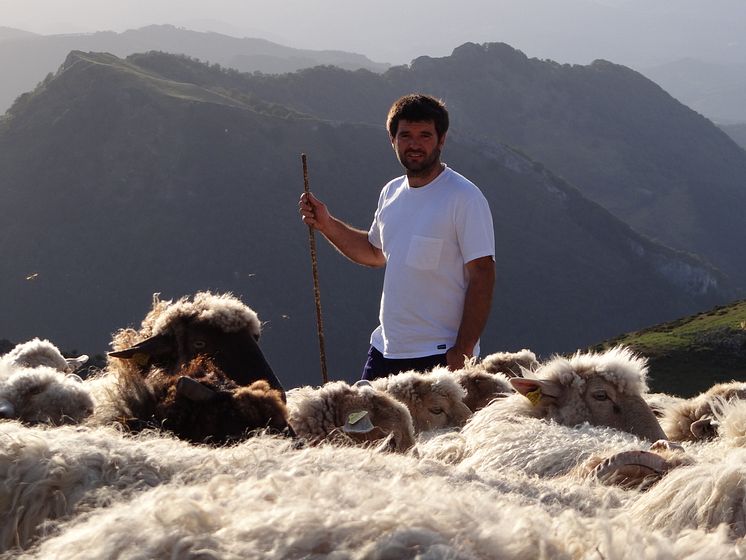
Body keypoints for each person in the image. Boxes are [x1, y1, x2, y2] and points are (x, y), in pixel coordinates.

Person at [299, 93, 495, 380]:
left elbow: (483, 274)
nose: (414, 144)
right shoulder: (391, 192)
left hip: (439, 355)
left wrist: (462, 351)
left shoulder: (463, 197)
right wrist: (327, 224)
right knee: (359, 425)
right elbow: (374, 253)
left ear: (442, 140)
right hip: (385, 350)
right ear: (393, 140)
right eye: (405, 135)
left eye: (425, 135)